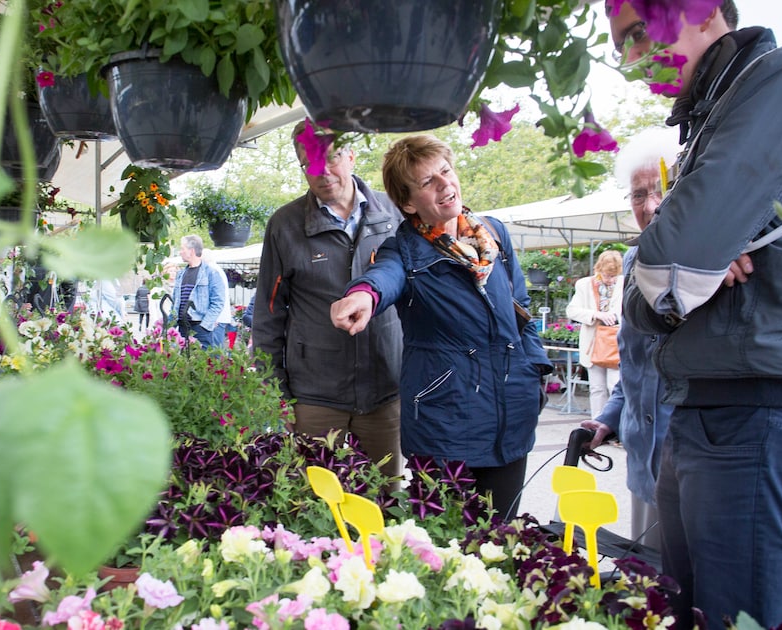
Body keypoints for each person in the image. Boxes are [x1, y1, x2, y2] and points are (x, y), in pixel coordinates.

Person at [608, 1, 782, 626]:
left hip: (768, 409)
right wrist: (676, 269)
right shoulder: (714, 114)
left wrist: (680, 262)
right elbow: (652, 286)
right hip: (711, 406)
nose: (633, 59)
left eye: (639, 32)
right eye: (621, 47)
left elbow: (672, 259)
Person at [330, 135, 552, 517]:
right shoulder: (402, 250)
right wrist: (363, 295)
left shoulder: (493, 234)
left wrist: (535, 370)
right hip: (446, 420)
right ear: (408, 202)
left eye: (445, 171)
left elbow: (521, 309)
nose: (445, 185)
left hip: (510, 411)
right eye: (427, 182)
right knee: (445, 545)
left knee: (501, 540)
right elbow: (384, 277)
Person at [253, 120, 404, 478]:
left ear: (351, 155)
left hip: (385, 392)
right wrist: (275, 393)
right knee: (314, 504)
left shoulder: (393, 214)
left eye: (332, 158)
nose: (322, 171)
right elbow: (268, 313)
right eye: (310, 164)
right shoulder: (285, 225)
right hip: (315, 398)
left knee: (387, 497)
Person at [581, 128, 681, 553]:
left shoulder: (717, 258)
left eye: (660, 190)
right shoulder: (634, 259)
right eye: (638, 195)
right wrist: (609, 417)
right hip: (644, 456)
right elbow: (637, 363)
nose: (650, 205)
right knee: (650, 578)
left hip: (695, 456)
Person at [566, 249, 624, 419]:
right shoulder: (585, 284)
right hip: (593, 343)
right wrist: (596, 314)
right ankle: (597, 424)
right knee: (597, 388)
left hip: (615, 343)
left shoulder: (624, 283)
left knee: (615, 386)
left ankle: (616, 427)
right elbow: (572, 310)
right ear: (599, 269)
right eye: (607, 275)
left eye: (613, 276)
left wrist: (616, 318)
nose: (609, 279)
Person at [170, 235, 226, 349]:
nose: (180, 252)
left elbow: (218, 302)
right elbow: (175, 302)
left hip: (199, 328)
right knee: (182, 364)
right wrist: (168, 325)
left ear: (191, 251)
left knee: (202, 364)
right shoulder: (181, 274)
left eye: (182, 249)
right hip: (182, 327)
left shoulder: (211, 273)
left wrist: (204, 326)